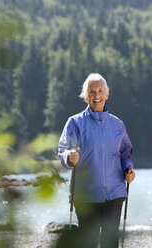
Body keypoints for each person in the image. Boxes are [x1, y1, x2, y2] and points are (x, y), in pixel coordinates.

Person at [58, 73, 135, 248]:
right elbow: (63, 151)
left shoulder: (118, 125)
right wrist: (69, 157)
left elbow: (125, 154)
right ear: (86, 96)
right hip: (86, 195)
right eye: (91, 91)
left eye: (100, 91)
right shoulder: (75, 123)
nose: (96, 95)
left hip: (115, 193)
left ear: (107, 94)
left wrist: (128, 169)